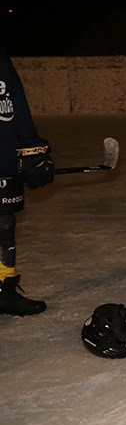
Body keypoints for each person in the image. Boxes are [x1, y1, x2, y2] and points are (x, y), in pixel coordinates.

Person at [0, 49, 55, 316]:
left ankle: (4, 288)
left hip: (3, 152)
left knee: (4, 219)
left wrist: (31, 146)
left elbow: (15, 101)